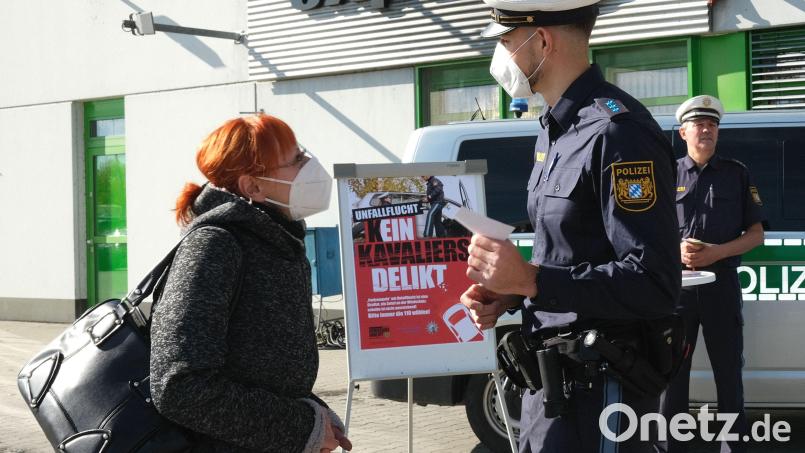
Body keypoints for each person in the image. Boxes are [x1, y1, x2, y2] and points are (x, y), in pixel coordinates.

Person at [459, 0, 681, 451]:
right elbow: (568, 254)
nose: (499, 56)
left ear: (542, 40)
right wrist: (511, 290)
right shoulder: (554, 129)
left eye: (505, 41)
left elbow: (655, 282)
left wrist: (533, 280)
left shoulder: (618, 132)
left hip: (602, 396)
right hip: (551, 391)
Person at [149, 114, 352, 452]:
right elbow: (180, 387)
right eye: (295, 161)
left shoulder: (274, 240)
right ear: (253, 187)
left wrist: (312, 412)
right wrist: (299, 427)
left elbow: (259, 370)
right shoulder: (215, 245)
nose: (310, 166)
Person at [660, 95, 764, 453]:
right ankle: (670, 447)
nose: (706, 129)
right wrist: (675, 251)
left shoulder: (736, 173)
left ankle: (732, 447)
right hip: (677, 290)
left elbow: (756, 233)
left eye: (712, 124)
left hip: (721, 286)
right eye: (699, 124)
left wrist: (718, 252)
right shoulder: (666, 173)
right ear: (683, 131)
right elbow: (643, 231)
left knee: (728, 375)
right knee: (671, 376)